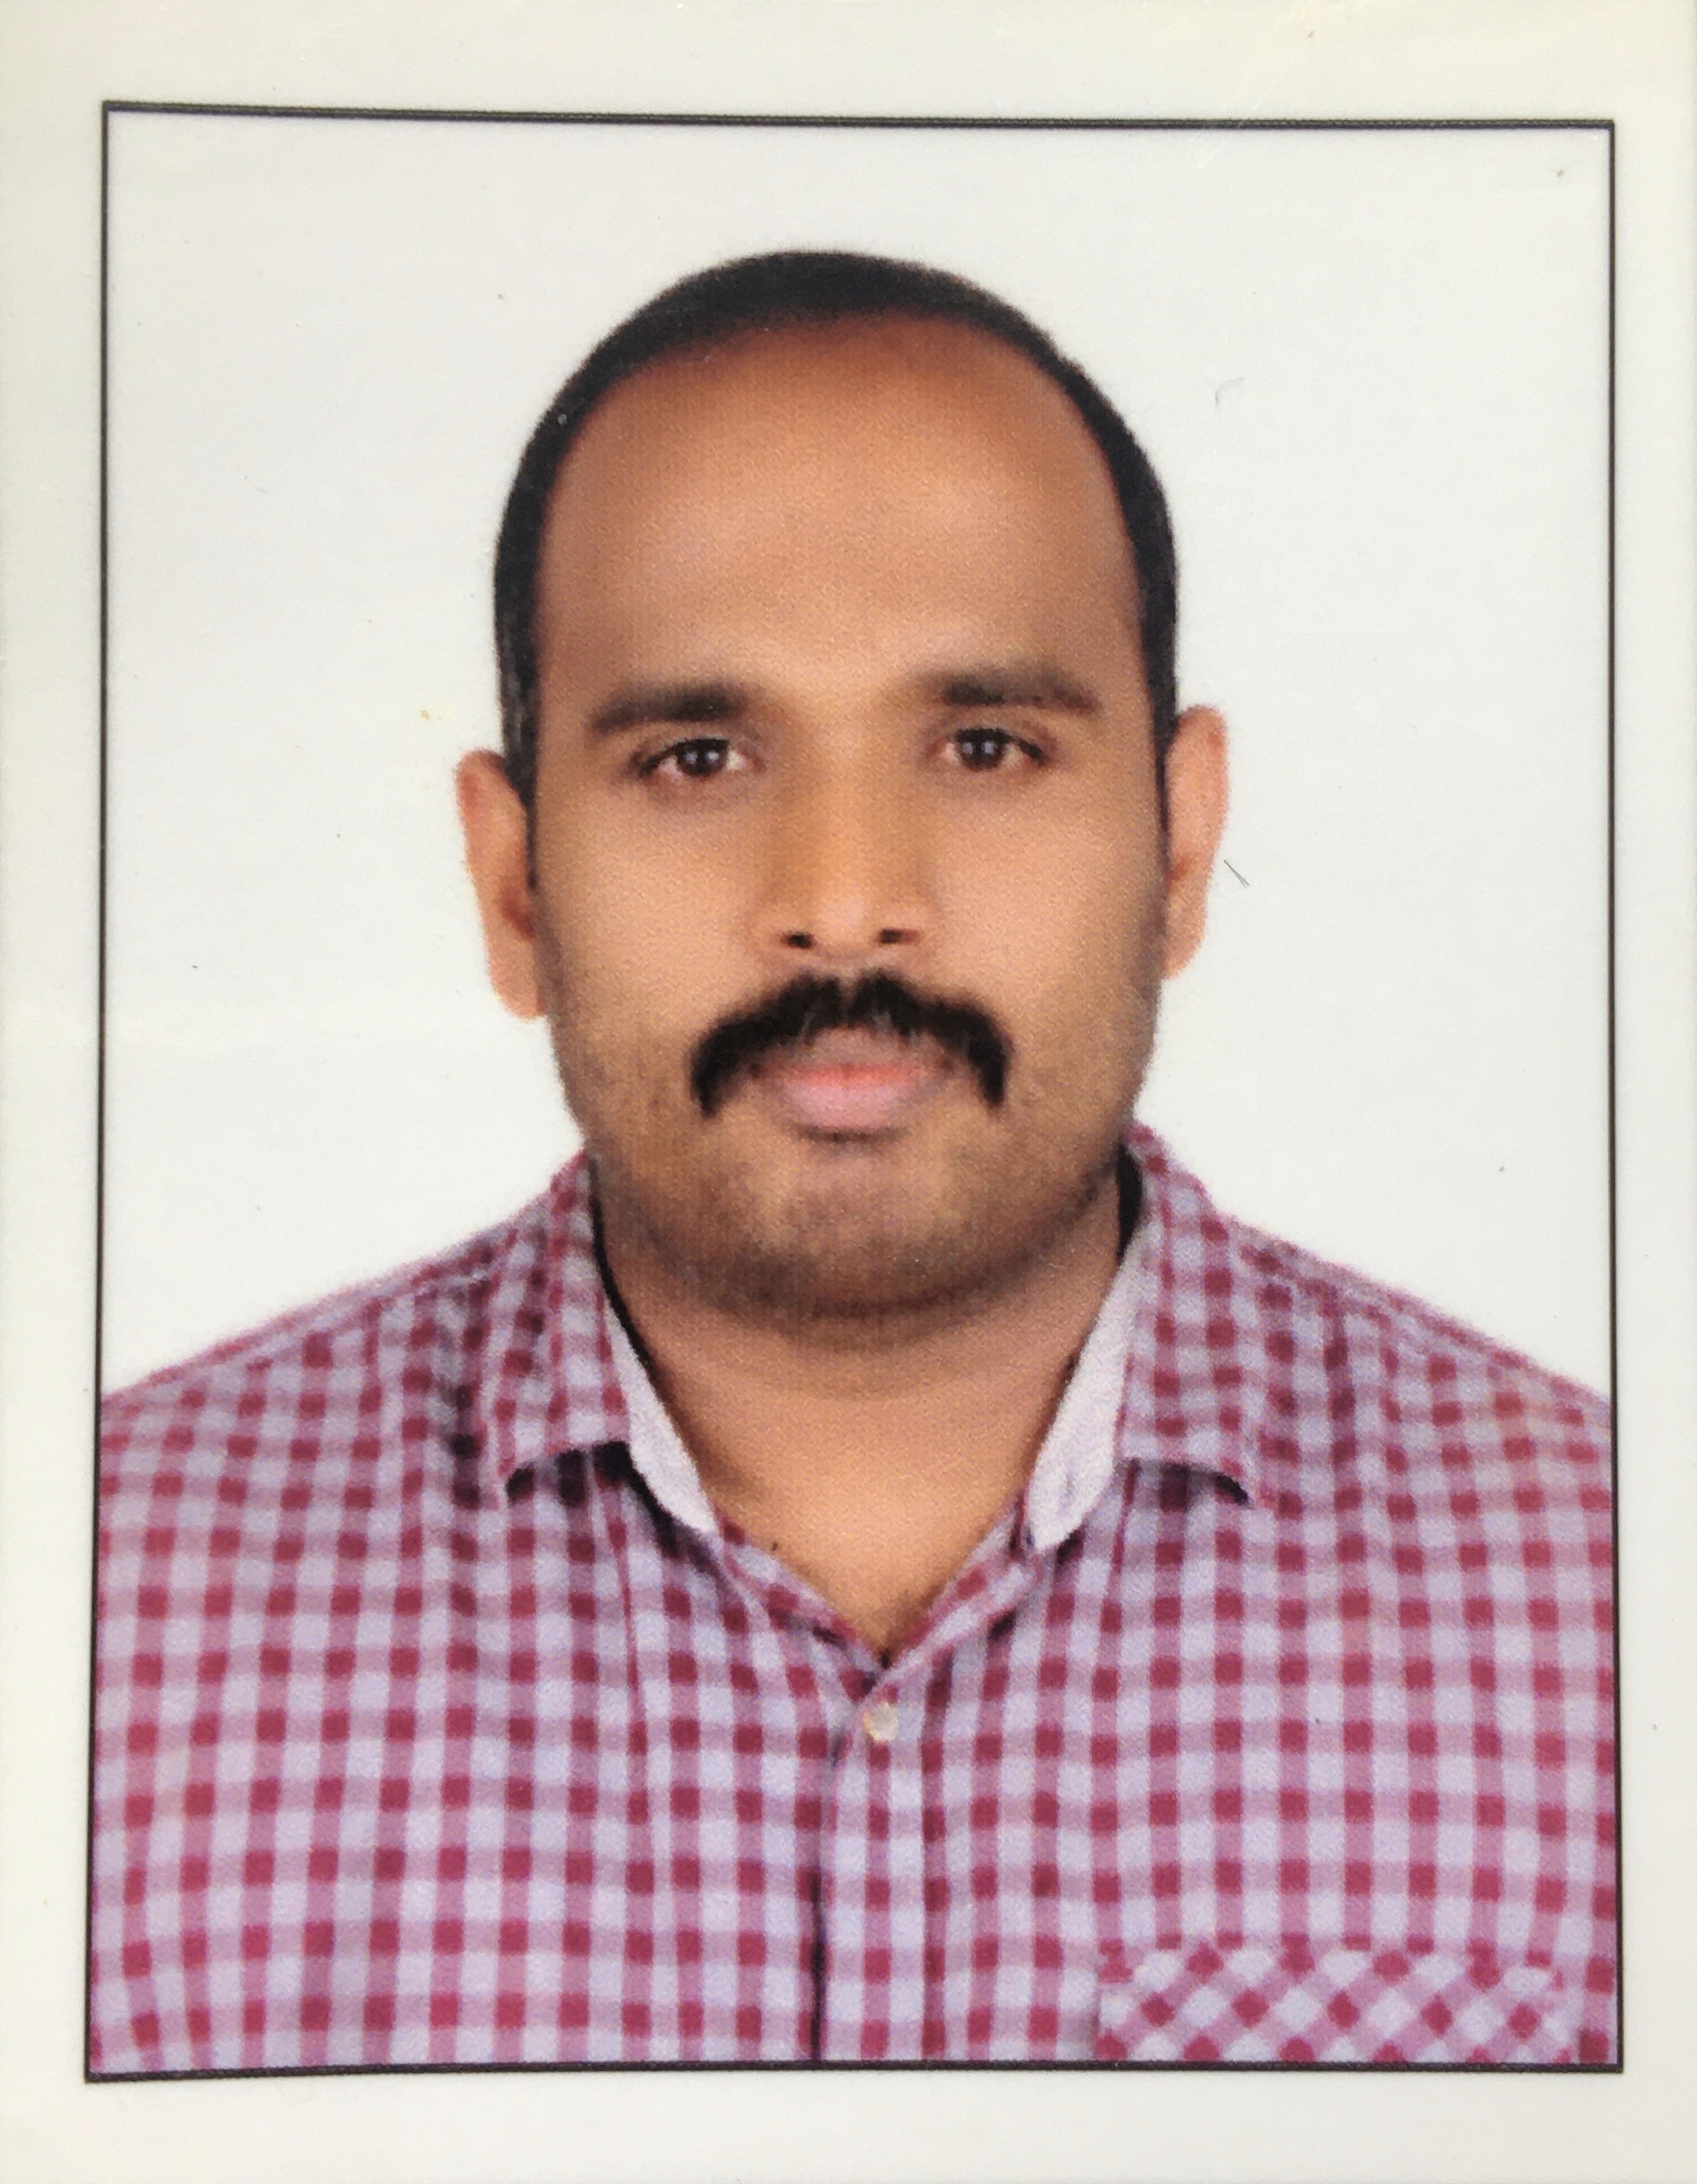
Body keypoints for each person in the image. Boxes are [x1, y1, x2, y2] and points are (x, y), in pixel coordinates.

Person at [90, 250, 1615, 2073]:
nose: (841, 903)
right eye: (697, 755)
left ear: (1179, 842)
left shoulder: (1613, 1599)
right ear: (514, 884)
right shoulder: (93, 1612)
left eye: (983, 744)